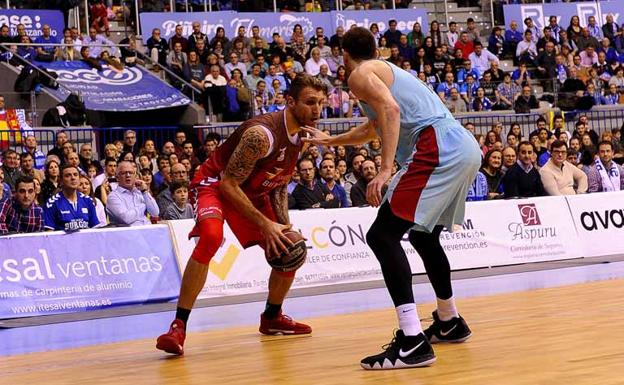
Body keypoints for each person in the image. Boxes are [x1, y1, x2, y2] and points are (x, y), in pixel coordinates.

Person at [302, 27, 481, 370]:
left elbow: (392, 112)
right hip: (462, 145)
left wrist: (384, 171)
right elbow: (374, 127)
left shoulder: (360, 74)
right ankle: (449, 320)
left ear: (344, 53)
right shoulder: (386, 71)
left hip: (437, 146)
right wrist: (331, 141)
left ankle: (412, 341)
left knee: (381, 236)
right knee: (422, 235)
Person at [156, 74, 328, 355]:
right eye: (310, 103)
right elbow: (228, 184)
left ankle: (272, 316)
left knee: (291, 244)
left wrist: (282, 225)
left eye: (321, 103)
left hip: (254, 191)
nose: (317, 110)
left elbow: (280, 183)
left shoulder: (304, 135)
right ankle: (178, 326)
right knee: (211, 238)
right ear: (289, 101)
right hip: (218, 183)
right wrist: (265, 224)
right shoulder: (262, 135)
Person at [43, 165, 99, 231]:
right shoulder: (52, 203)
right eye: (68, 175)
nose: (73, 178)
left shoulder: (88, 200)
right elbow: (49, 234)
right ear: (61, 180)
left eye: (75, 175)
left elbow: (95, 230)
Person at [106, 160, 159, 226]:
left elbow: (155, 213)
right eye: (124, 173)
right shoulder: (113, 196)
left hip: (147, 230)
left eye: (130, 173)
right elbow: (126, 218)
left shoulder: (140, 192)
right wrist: (143, 205)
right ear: (117, 177)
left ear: (135, 176)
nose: (128, 175)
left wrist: (145, 192)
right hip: (128, 234)